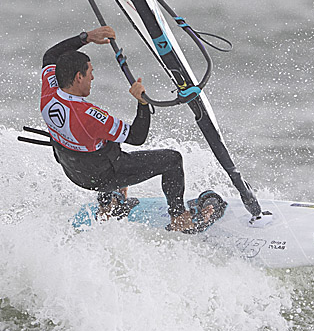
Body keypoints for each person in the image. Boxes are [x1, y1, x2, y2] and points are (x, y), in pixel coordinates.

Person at [40, 26, 209, 233]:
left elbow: (50, 56)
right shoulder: (89, 116)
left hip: (73, 171)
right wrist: (142, 102)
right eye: (90, 73)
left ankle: (107, 204)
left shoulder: (49, 91)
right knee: (172, 160)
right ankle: (179, 219)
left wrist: (87, 37)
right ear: (78, 77)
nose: (93, 78)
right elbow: (137, 137)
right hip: (102, 177)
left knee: (103, 141)